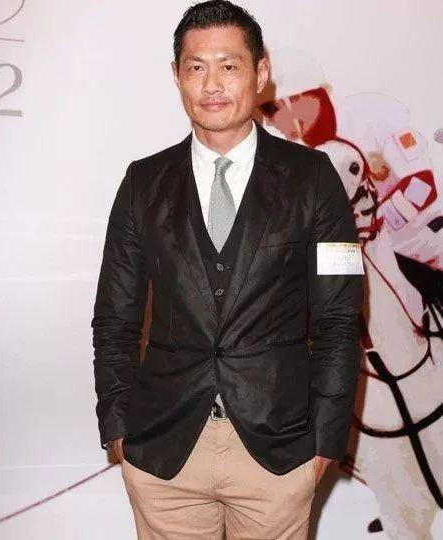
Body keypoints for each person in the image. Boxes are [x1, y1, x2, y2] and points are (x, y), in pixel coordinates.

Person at [91, 1, 364, 538]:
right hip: (164, 452)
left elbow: (338, 320)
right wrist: (118, 427)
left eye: (229, 65)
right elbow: (114, 319)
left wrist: (325, 443)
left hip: (279, 452)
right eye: (197, 67)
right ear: (177, 76)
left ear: (260, 73)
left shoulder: (313, 179)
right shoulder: (142, 182)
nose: (212, 84)